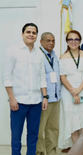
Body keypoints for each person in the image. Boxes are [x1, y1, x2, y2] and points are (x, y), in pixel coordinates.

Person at [3, 23, 48, 155]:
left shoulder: (39, 54)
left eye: (34, 33)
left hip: (36, 102)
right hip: (18, 101)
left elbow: (42, 77)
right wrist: (12, 98)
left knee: (33, 135)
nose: (31, 34)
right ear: (22, 34)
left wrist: (44, 97)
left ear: (36, 36)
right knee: (16, 136)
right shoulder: (13, 51)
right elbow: (7, 77)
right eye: (28, 32)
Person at [58, 30, 83, 150]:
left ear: (80, 41)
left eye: (76, 39)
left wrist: (78, 90)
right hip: (68, 92)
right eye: (70, 39)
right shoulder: (63, 57)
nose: (73, 42)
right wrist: (73, 91)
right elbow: (62, 76)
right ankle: (76, 150)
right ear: (67, 42)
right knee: (72, 121)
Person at [36, 32, 61, 155]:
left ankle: (51, 152)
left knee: (53, 128)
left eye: (53, 40)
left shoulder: (54, 56)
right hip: (43, 99)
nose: (51, 43)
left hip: (55, 98)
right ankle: (40, 152)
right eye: (48, 40)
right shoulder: (37, 55)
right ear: (41, 41)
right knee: (40, 130)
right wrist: (44, 96)